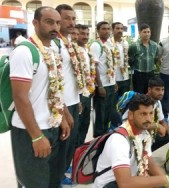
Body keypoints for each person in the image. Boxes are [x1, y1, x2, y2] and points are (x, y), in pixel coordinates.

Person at [9, 6, 70, 187]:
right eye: (49, 22)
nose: (55, 27)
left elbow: (56, 88)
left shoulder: (52, 50)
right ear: (35, 23)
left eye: (58, 23)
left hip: (53, 126)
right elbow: (20, 97)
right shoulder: (24, 51)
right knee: (34, 182)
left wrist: (63, 116)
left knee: (52, 180)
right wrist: (36, 136)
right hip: (30, 130)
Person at [93, 94, 169, 188]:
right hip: (111, 185)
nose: (149, 119)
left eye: (151, 113)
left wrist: (167, 181)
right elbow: (125, 183)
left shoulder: (144, 134)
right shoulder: (119, 140)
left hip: (128, 181)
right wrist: (165, 180)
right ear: (130, 115)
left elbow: (150, 165)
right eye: (143, 114)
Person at [52, 4, 84, 185]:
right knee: (62, 142)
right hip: (60, 105)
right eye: (67, 18)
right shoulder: (55, 45)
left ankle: (64, 169)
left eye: (74, 19)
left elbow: (71, 76)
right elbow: (54, 80)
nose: (72, 22)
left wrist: (77, 98)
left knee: (71, 141)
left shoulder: (69, 44)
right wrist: (63, 109)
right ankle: (58, 175)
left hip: (73, 100)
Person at [121, 77, 169, 151]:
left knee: (168, 134)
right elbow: (131, 123)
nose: (161, 93)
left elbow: (162, 121)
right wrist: (156, 126)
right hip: (131, 133)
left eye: (162, 90)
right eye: (157, 89)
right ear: (149, 90)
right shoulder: (139, 102)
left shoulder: (158, 103)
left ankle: (147, 151)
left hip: (147, 132)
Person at [90, 21, 117, 137]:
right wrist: (99, 85)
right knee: (101, 113)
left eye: (108, 29)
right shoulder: (96, 45)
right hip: (102, 86)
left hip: (110, 84)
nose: (106, 31)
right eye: (103, 29)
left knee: (109, 112)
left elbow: (111, 65)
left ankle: (105, 135)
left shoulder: (109, 44)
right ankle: (98, 137)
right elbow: (94, 66)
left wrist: (114, 82)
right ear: (98, 31)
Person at [76, 24, 96, 146]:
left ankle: (80, 148)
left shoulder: (87, 49)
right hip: (77, 94)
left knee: (85, 122)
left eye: (87, 34)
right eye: (82, 34)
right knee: (77, 124)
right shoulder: (72, 51)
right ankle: (74, 150)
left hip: (87, 92)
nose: (85, 36)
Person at [128, 23, 159, 94]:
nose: (147, 34)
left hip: (150, 73)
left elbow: (155, 59)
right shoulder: (134, 46)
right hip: (139, 74)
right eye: (144, 32)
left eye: (148, 32)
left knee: (150, 94)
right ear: (139, 33)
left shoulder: (155, 45)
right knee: (139, 95)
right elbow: (130, 60)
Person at [110, 22, 130, 106]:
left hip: (125, 78)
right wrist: (113, 80)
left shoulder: (125, 43)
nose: (120, 30)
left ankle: (122, 119)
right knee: (113, 103)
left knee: (124, 103)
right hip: (114, 79)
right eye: (117, 28)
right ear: (112, 30)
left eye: (121, 29)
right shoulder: (109, 43)